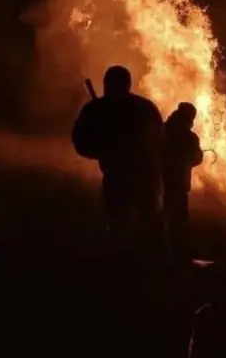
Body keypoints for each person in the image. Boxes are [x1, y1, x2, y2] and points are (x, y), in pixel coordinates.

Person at [71, 65, 165, 252]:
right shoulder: (144, 107)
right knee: (143, 225)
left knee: (125, 226)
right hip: (137, 177)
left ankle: (130, 264)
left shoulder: (97, 109)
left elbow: (81, 142)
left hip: (128, 177)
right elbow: (161, 142)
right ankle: (146, 264)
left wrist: (103, 150)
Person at [163, 102, 204, 245]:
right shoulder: (190, 138)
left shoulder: (161, 130)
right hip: (178, 185)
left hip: (157, 182)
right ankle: (177, 255)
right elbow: (197, 159)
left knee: (158, 219)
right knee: (178, 222)